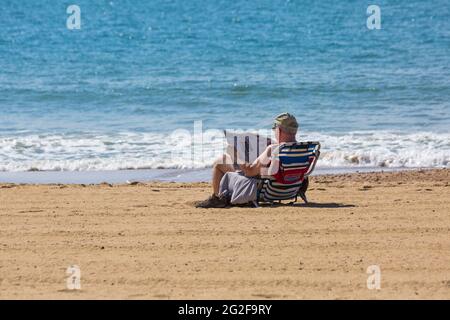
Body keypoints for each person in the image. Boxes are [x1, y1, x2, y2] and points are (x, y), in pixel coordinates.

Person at [195, 112, 299, 208]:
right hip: (289, 190)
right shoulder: (303, 149)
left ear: (279, 130)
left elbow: (249, 171)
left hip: (262, 190)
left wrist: (235, 155)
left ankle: (218, 198)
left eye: (274, 129)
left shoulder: (272, 149)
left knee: (220, 161)